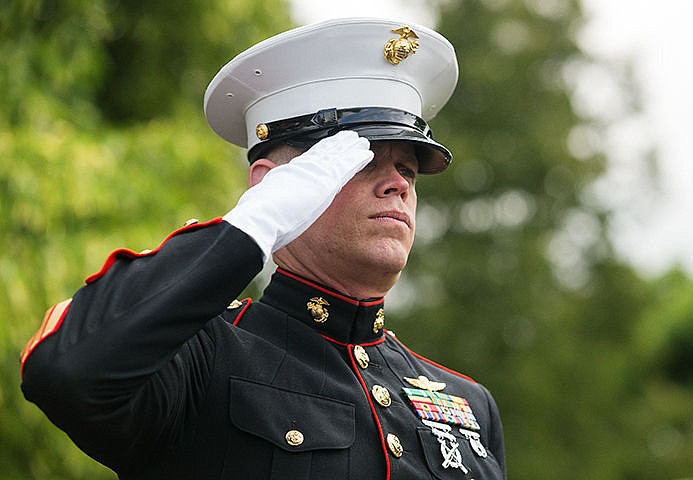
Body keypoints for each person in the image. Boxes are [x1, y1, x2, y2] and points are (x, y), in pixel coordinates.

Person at [20, 18, 506, 480]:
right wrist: (252, 224)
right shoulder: (205, 357)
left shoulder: (469, 406)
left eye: (408, 169)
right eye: (358, 162)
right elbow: (65, 369)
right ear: (274, 187)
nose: (397, 184)